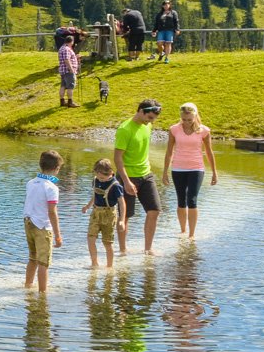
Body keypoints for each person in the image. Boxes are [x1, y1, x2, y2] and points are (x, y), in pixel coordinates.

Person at [161, 102, 218, 238]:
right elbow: (169, 151)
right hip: (178, 168)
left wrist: (215, 172)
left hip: (196, 168)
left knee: (192, 199)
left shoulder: (204, 130)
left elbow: (209, 152)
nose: (186, 122)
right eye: (183, 119)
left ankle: (191, 235)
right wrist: (164, 172)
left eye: (189, 120)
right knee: (181, 200)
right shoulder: (174, 129)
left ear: (195, 116)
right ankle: (182, 230)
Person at [114, 99, 163, 255]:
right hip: (127, 177)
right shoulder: (125, 129)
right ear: (141, 111)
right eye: (150, 117)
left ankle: (148, 249)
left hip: (146, 174)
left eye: (154, 119)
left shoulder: (147, 125)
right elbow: (117, 158)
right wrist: (127, 182)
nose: (152, 121)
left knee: (154, 210)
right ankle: (122, 249)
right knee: (125, 215)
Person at [24, 150, 66, 294]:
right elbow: (52, 212)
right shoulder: (51, 187)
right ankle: (43, 293)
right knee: (44, 262)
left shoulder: (31, 182)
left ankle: (28, 285)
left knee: (33, 257)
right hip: (42, 226)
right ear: (57, 169)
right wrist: (58, 235)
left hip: (28, 223)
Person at [81, 158, 124, 268]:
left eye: (103, 178)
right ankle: (94, 263)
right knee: (91, 238)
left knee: (107, 242)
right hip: (95, 213)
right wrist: (87, 206)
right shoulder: (96, 181)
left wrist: (122, 219)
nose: (101, 180)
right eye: (98, 177)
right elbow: (95, 195)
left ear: (110, 173)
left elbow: (122, 203)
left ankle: (109, 266)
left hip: (109, 215)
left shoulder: (115, 186)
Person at [57, 32, 81, 108]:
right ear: (72, 41)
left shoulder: (62, 48)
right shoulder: (67, 49)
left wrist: (75, 57)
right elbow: (66, 60)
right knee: (70, 86)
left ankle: (62, 101)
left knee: (63, 86)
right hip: (68, 71)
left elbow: (67, 58)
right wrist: (71, 69)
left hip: (63, 70)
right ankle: (70, 102)